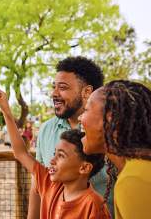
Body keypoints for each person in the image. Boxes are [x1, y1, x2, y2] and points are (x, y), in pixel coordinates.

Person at [0, 89, 110, 218]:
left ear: (84, 167)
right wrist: (6, 110)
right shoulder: (50, 183)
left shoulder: (94, 207)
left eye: (61, 156)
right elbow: (20, 153)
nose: (52, 160)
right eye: (55, 154)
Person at [32, 56, 114, 218]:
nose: (54, 94)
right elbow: (38, 183)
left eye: (62, 87)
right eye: (53, 87)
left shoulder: (110, 130)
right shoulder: (46, 130)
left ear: (87, 92)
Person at [79, 80, 151, 219]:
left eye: (86, 110)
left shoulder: (133, 181)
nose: (80, 118)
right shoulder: (137, 170)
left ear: (110, 118)